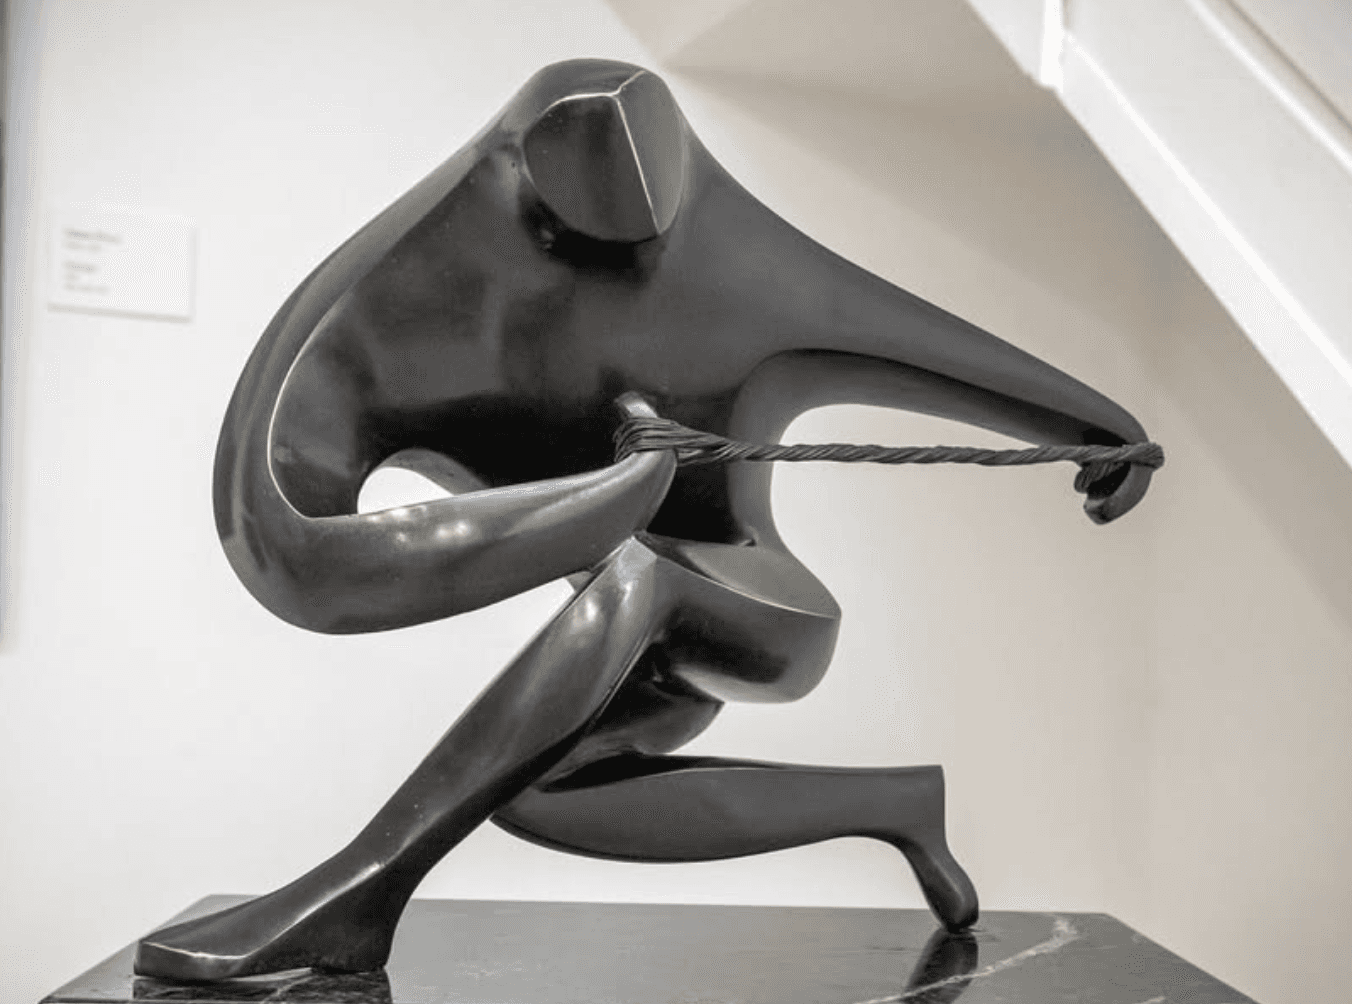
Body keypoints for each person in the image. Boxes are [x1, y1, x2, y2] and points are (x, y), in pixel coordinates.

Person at [136, 59, 1154, 981]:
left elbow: (937, 349)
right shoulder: (428, 286)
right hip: (625, 617)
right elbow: (294, 551)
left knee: (641, 575)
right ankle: (896, 805)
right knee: (535, 791)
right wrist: (607, 502)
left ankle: (357, 895)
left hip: (756, 597)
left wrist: (1101, 432)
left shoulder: (752, 265)